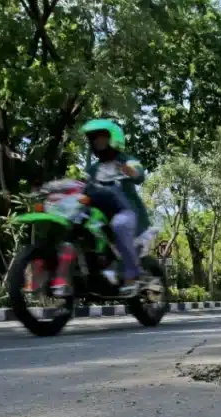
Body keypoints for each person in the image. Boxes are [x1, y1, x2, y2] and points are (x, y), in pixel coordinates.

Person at [50, 118, 151, 296]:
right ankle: (65, 277)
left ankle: (131, 277)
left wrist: (131, 171)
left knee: (120, 225)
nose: (98, 142)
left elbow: (139, 173)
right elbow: (82, 187)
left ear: (113, 139)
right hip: (100, 214)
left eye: (102, 138)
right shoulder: (92, 170)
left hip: (127, 213)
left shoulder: (125, 160)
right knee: (74, 223)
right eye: (95, 139)